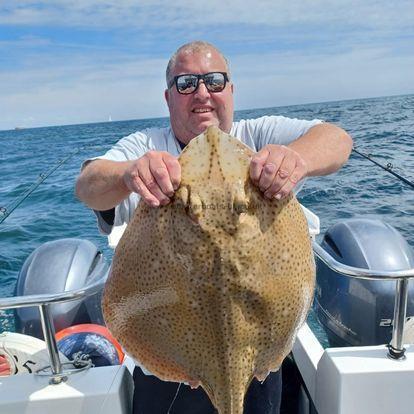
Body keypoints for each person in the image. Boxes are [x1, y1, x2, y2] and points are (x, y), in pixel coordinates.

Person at [76, 41, 353, 414]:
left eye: (215, 80)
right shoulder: (146, 146)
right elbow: (88, 185)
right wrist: (129, 174)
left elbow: (338, 139)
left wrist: (295, 159)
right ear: (168, 96)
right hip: (171, 358)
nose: (202, 92)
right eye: (187, 82)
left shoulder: (257, 136)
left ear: (231, 90)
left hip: (256, 353)